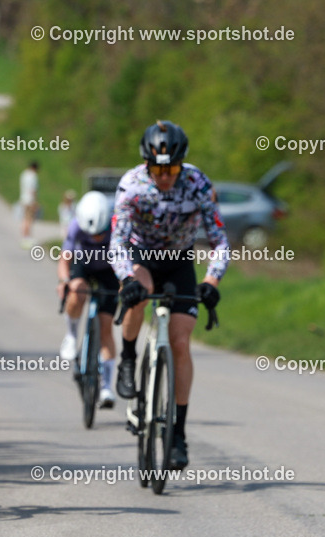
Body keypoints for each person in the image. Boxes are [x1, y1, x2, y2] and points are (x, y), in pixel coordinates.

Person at [110, 120, 227, 470]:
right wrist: (126, 276)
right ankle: (129, 358)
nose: (165, 176)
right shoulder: (131, 185)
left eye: (172, 168)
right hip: (142, 256)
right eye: (159, 169)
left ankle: (177, 433)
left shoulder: (198, 183)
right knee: (140, 293)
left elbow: (219, 239)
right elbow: (116, 242)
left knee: (180, 342)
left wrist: (211, 281)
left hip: (178, 260)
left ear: (182, 164)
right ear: (147, 164)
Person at [57, 191, 119, 408]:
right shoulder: (75, 226)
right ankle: (72, 335)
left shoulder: (117, 225)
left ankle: (106, 388)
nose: (95, 239)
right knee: (76, 291)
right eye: (90, 235)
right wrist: (65, 281)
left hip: (109, 270)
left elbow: (127, 257)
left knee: (106, 328)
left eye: (100, 235)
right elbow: (65, 259)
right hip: (83, 266)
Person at [19, 161, 39, 248]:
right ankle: (27, 237)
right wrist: (35, 201)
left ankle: (24, 236)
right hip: (30, 200)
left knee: (25, 218)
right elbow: (33, 189)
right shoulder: (33, 176)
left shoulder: (24, 174)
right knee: (29, 219)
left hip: (23, 198)